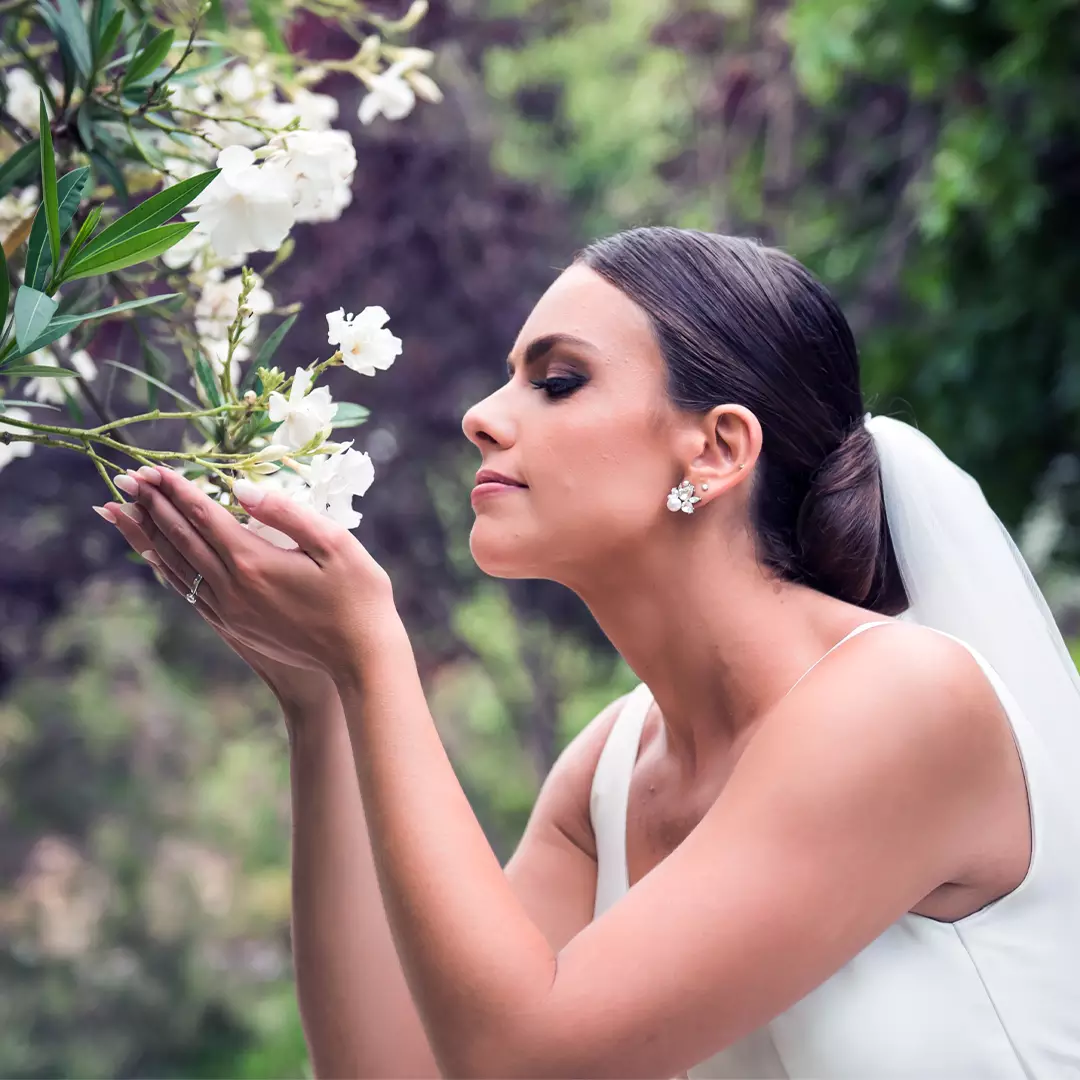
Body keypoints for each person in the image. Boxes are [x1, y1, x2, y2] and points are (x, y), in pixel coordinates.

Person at [98, 227, 1080, 1078]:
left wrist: (374, 659)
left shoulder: (903, 700)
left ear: (716, 450)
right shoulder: (610, 772)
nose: (483, 414)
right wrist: (319, 704)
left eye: (557, 381)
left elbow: (526, 1060)